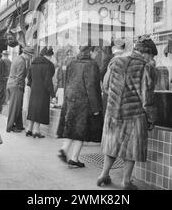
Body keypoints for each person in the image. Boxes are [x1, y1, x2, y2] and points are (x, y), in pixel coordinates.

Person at [97, 35, 157, 189]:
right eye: (151, 56)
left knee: (112, 145)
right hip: (134, 115)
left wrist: (115, 98)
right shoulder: (145, 66)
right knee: (131, 149)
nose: (151, 59)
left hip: (113, 112)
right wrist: (151, 118)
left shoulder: (116, 61)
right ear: (146, 53)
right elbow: (147, 97)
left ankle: (103, 174)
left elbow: (105, 86)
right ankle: (126, 182)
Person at [57, 46, 103, 168]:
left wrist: (65, 100)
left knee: (71, 127)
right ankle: (74, 158)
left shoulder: (72, 63)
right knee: (81, 131)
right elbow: (91, 86)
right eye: (95, 52)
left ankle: (65, 149)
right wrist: (96, 107)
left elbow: (67, 82)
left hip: (71, 99)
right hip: (84, 102)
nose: (96, 55)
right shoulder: (92, 64)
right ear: (91, 52)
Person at [26, 47, 56, 138]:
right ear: (48, 56)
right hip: (43, 91)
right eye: (51, 56)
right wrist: (52, 95)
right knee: (39, 109)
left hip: (34, 90)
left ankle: (29, 129)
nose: (51, 58)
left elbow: (29, 78)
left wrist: (33, 85)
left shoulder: (33, 64)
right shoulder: (48, 65)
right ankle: (36, 131)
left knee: (33, 109)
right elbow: (48, 81)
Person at [6, 46, 34, 133]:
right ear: (27, 54)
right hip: (16, 86)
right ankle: (9, 126)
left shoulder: (17, 58)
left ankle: (19, 125)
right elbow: (20, 77)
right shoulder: (22, 62)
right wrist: (21, 87)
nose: (30, 58)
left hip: (11, 84)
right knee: (15, 107)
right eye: (30, 56)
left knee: (18, 106)